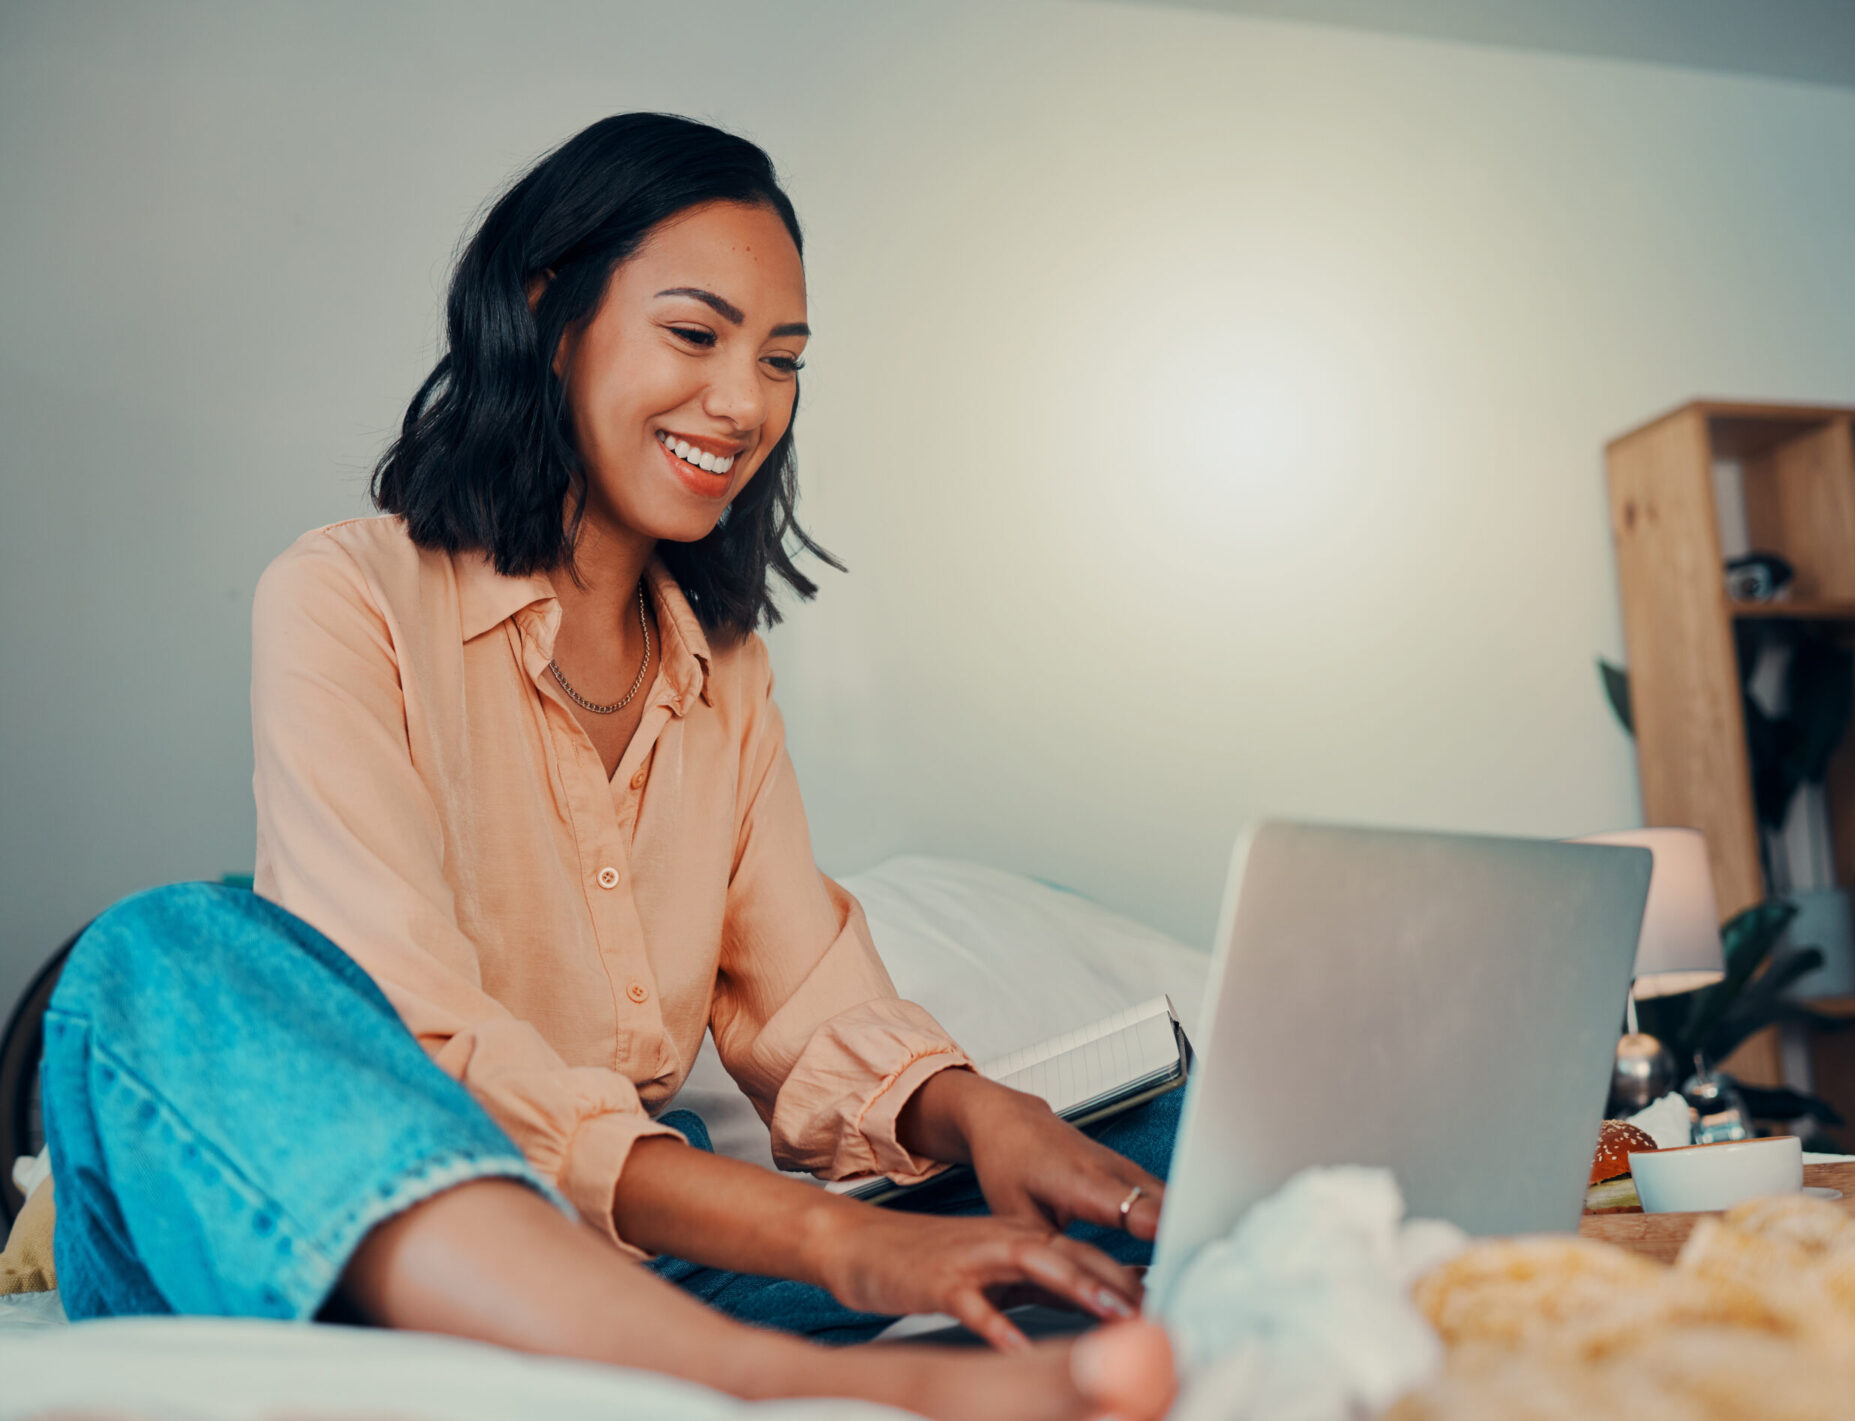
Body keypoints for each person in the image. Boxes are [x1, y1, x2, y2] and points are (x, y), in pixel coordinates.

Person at [42, 113, 1179, 1420]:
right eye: (696, 335)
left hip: (652, 1263)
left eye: (783, 359)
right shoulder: (342, 594)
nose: (745, 402)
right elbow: (422, 1042)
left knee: (1159, 1145)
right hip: (344, 1251)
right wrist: (840, 1242)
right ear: (549, 311)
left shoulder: (725, 670)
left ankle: (764, 1335)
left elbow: (801, 998)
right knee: (158, 947)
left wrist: (984, 1113)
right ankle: (773, 1383)